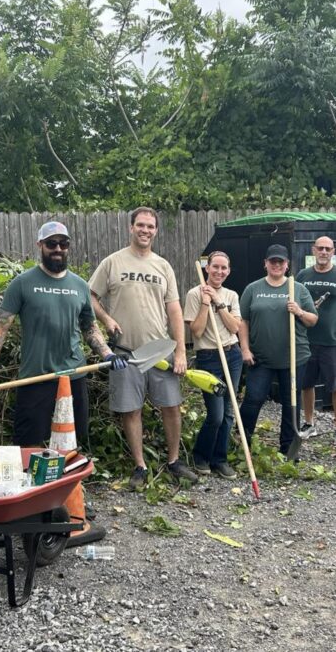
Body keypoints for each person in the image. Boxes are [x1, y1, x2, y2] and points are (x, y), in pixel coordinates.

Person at [0, 221, 124, 546]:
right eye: (52, 243)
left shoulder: (79, 285)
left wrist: (107, 353)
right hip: (35, 378)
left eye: (63, 244)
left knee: (70, 448)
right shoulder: (23, 283)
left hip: (73, 378)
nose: (58, 249)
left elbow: (89, 328)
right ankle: (18, 512)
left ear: (68, 247)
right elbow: (1, 326)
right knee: (27, 446)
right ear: (40, 245)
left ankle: (67, 505)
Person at [89, 206, 198, 491]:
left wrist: (180, 351)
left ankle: (174, 461)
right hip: (125, 352)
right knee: (131, 410)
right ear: (131, 227)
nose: (145, 230)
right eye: (141, 225)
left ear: (156, 230)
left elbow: (174, 309)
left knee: (172, 407)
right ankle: (140, 466)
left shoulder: (163, 266)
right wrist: (107, 318)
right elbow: (90, 297)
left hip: (160, 351)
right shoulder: (112, 263)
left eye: (151, 226)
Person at [239, 244, 318, 457]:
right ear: (265, 263)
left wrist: (299, 311)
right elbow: (243, 321)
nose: (276, 265)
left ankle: (287, 448)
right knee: (253, 399)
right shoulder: (253, 289)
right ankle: (242, 443)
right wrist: (245, 348)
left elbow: (313, 320)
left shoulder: (298, 289)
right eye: (272, 261)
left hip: (294, 357)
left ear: (287, 265)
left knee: (291, 402)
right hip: (260, 358)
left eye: (280, 262)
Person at [183, 251, 246, 479]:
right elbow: (197, 331)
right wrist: (204, 304)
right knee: (216, 414)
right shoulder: (194, 293)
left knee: (229, 412)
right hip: (209, 358)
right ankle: (201, 455)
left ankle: (220, 459)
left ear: (228, 271)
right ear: (207, 268)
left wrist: (219, 304)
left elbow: (235, 328)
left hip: (232, 355)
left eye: (224, 268)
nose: (219, 271)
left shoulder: (231, 295)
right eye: (215, 267)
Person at [295, 236, 336, 447]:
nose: (324, 252)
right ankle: (309, 424)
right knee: (306, 384)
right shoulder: (303, 275)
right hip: (306, 341)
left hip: (332, 341)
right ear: (313, 250)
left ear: (333, 252)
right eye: (320, 248)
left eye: (328, 249)